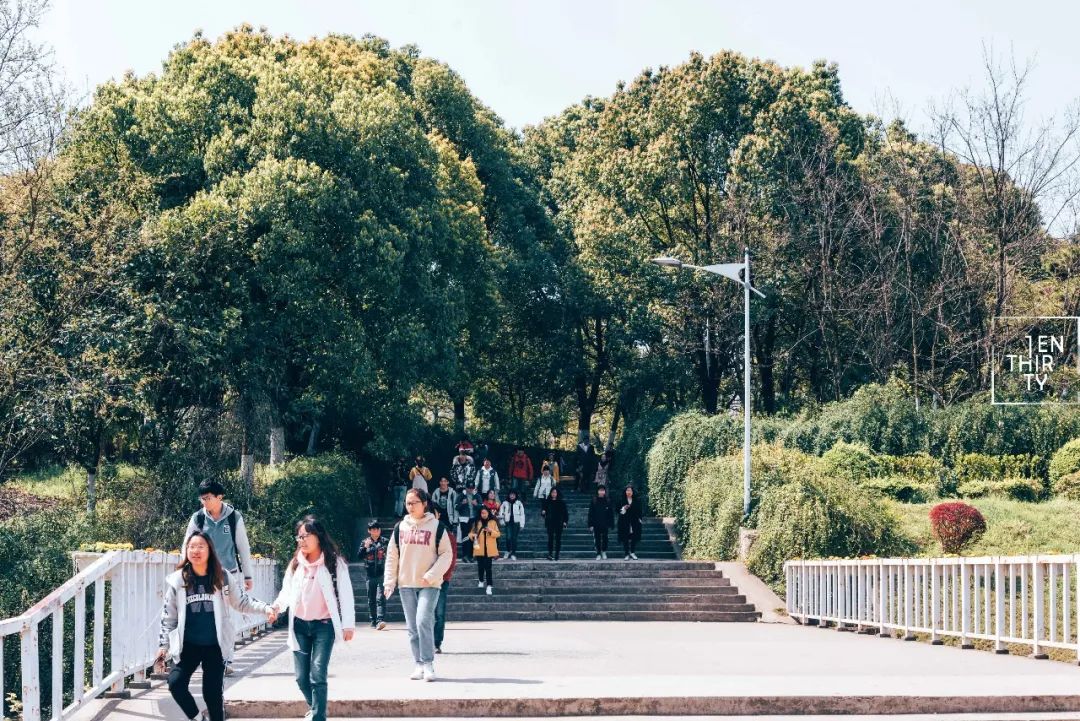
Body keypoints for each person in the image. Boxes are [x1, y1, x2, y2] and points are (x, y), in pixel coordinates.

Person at [157, 531, 273, 721]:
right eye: (191, 547)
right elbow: (168, 617)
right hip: (189, 645)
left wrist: (265, 608)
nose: (195, 551)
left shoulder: (222, 577)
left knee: (212, 695)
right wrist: (163, 646)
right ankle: (198, 718)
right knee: (175, 683)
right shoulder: (178, 581)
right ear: (186, 551)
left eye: (200, 546)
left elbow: (242, 602)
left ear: (210, 550)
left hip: (215, 646)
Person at [268, 516, 355, 721]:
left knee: (317, 674)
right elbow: (286, 592)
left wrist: (348, 625)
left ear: (319, 536)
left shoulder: (335, 563)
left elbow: (346, 594)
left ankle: (318, 716)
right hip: (299, 626)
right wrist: (276, 608)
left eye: (306, 536)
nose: (302, 540)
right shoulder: (296, 564)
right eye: (299, 537)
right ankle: (316, 707)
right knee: (301, 678)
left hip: (324, 627)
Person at [183, 480, 256, 676]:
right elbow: (187, 546)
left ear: (219, 497)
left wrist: (248, 575)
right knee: (202, 617)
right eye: (202, 499)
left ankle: (225, 660)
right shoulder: (197, 519)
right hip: (202, 576)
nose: (205, 502)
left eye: (208, 498)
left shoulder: (234, 518)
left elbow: (243, 548)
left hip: (228, 575)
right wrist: (184, 572)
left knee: (225, 619)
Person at [383, 488, 454, 682]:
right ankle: (418, 664)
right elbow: (392, 555)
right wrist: (389, 581)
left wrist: (431, 575)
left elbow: (447, 554)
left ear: (424, 504)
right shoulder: (400, 527)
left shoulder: (437, 527)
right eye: (407, 503)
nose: (410, 506)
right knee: (412, 626)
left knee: (423, 620)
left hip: (429, 583)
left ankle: (428, 663)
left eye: (414, 502)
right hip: (406, 582)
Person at [430, 505, 458, 654]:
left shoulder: (447, 534)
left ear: (438, 515)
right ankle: (425, 642)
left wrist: (442, 575)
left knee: (439, 612)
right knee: (424, 612)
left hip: (441, 579)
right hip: (422, 579)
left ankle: (436, 642)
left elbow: (451, 558)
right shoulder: (423, 532)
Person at [359, 520, 389, 629]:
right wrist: (365, 547)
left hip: (382, 574)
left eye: (378, 529)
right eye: (373, 529)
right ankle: (373, 620)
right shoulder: (365, 542)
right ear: (369, 531)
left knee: (381, 597)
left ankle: (380, 620)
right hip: (369, 574)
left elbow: (391, 556)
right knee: (371, 599)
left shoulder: (385, 541)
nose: (376, 531)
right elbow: (359, 556)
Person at [469, 506, 501, 594]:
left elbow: (498, 534)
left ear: (488, 513)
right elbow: (470, 533)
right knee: (480, 566)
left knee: (488, 568)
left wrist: (491, 531)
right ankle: (481, 580)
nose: (484, 515)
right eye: (482, 513)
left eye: (485, 513)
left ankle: (489, 585)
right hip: (479, 548)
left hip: (489, 549)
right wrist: (473, 536)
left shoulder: (493, 522)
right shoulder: (476, 522)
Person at [541, 487, 569, 561]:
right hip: (550, 522)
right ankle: (550, 554)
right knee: (550, 538)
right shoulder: (547, 501)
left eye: (555, 492)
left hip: (559, 522)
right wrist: (543, 512)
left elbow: (565, 513)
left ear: (557, 493)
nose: (554, 494)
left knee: (558, 539)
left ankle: (557, 554)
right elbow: (543, 512)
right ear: (550, 493)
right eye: (552, 492)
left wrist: (565, 521)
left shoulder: (561, 502)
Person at [588, 485, 615, 560]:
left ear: (605, 491)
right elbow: (590, 513)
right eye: (600, 490)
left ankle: (604, 551)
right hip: (596, 523)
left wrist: (611, 524)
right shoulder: (594, 500)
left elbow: (611, 513)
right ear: (597, 491)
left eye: (603, 490)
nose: (601, 492)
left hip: (605, 523)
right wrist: (590, 524)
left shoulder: (608, 500)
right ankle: (598, 553)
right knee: (597, 539)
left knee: (605, 538)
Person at [498, 489, 525, 560]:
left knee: (514, 538)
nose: (512, 496)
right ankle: (507, 551)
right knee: (508, 537)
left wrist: (522, 524)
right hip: (508, 523)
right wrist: (502, 521)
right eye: (511, 494)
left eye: (513, 494)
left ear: (515, 495)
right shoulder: (504, 503)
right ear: (508, 495)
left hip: (516, 523)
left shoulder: (519, 503)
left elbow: (522, 514)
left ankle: (513, 553)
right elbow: (500, 513)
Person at [617, 485, 643, 560]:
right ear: (625, 492)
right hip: (624, 521)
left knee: (634, 537)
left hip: (634, 521)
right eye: (627, 490)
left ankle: (632, 552)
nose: (628, 492)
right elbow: (617, 510)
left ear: (632, 492)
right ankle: (626, 554)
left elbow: (640, 510)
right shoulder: (621, 500)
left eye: (630, 491)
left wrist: (640, 519)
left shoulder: (636, 500)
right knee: (625, 537)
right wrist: (623, 508)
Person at [456, 480, 480, 562]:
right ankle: (465, 556)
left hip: (473, 519)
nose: (470, 489)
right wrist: (462, 503)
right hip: (464, 519)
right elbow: (456, 507)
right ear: (466, 488)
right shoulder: (461, 495)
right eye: (469, 488)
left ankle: (471, 555)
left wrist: (477, 505)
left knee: (473, 538)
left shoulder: (476, 495)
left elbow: (482, 507)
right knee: (465, 538)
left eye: (472, 488)